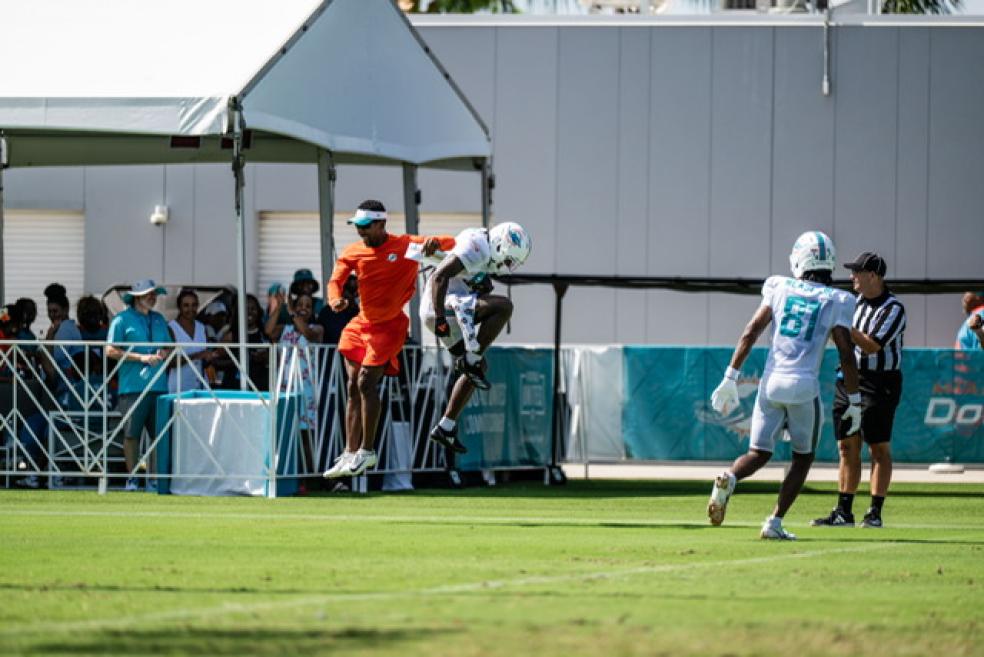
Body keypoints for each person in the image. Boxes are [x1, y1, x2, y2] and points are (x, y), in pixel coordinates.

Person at [707, 231, 862, 540]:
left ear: (798, 259)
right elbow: (846, 351)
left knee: (758, 452)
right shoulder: (838, 299)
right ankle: (774, 522)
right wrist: (855, 400)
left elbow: (751, 331)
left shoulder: (779, 287)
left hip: (771, 382)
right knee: (802, 458)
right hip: (804, 385)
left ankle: (730, 477)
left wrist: (730, 377)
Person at [322, 199, 455, 479]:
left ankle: (367, 453)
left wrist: (435, 244)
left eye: (366, 227)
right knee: (351, 386)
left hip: (390, 326)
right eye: (358, 227)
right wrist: (335, 299)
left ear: (382, 224)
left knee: (365, 383)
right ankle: (349, 453)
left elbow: (450, 243)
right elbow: (335, 280)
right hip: (361, 324)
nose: (361, 232)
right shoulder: (353, 251)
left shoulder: (406, 245)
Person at [811, 252, 906, 529]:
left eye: (857, 272)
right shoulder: (855, 303)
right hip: (849, 377)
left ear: (873, 276)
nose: (852, 276)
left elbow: (871, 345)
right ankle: (843, 511)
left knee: (878, 446)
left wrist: (840, 324)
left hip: (880, 382)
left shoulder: (893, 308)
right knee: (846, 445)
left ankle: (874, 512)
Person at [419, 222, 532, 454]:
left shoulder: (483, 249)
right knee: (504, 307)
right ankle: (471, 358)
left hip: (446, 308)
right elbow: (440, 276)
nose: (508, 266)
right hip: (440, 309)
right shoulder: (477, 245)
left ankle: (446, 427)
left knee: (479, 368)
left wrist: (481, 286)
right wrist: (440, 318)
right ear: (501, 245)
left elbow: (463, 279)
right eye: (509, 260)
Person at [105, 279, 172, 492]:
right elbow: (110, 351)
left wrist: (165, 353)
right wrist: (140, 358)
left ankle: (152, 479)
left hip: (159, 385)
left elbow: (169, 346)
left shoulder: (160, 319)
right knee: (131, 434)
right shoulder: (121, 320)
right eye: (148, 294)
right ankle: (132, 479)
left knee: (157, 435)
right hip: (132, 386)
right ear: (136, 297)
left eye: (154, 294)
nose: (152, 297)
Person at [271, 291, 323, 476]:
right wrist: (279, 307)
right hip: (285, 387)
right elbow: (268, 331)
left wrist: (292, 311)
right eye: (300, 304)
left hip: (306, 389)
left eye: (307, 306)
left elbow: (307, 333)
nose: (303, 308)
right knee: (286, 431)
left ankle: (308, 476)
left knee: (305, 435)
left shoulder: (317, 328)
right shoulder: (285, 329)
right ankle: (287, 473)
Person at [167, 289, 215, 394]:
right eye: (186, 305)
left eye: (194, 305)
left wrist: (211, 356)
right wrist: (197, 355)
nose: (190, 309)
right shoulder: (171, 328)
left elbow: (205, 360)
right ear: (179, 307)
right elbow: (170, 362)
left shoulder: (202, 327)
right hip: (179, 387)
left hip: (202, 386)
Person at [220, 293, 270, 391]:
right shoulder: (231, 336)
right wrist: (237, 361)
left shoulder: (264, 335)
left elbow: (274, 361)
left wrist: (265, 358)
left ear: (259, 311)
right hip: (234, 388)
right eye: (245, 309)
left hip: (259, 389)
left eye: (253, 309)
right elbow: (215, 361)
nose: (249, 312)